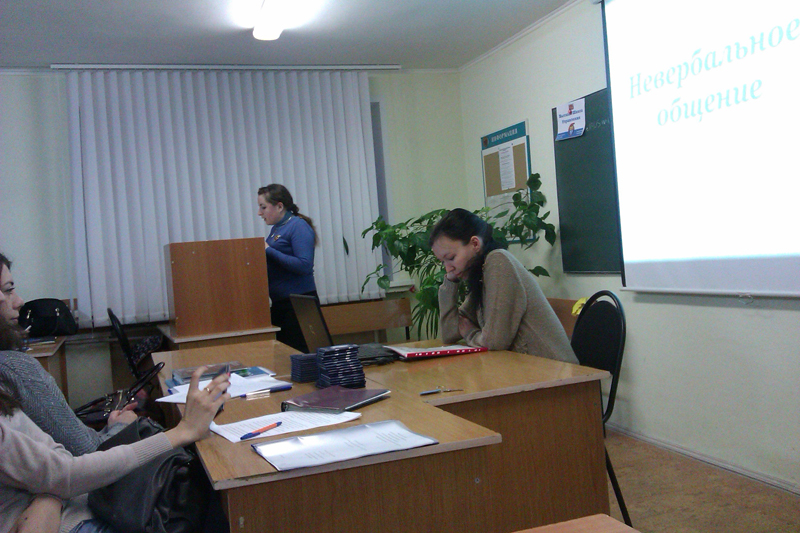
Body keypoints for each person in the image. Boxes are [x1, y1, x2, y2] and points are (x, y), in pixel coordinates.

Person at [0, 364, 230, 533]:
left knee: (203, 489)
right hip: (76, 517)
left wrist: (50, 494)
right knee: (205, 496)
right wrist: (181, 432)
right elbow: (66, 471)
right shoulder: (14, 367)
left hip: (75, 504)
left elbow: (59, 465)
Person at [0, 252, 137, 456]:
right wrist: (123, 426)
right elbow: (89, 453)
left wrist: (110, 427)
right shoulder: (14, 367)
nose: (19, 301)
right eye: (8, 290)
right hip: (95, 471)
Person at [429, 208, 578, 364]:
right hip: (529, 368)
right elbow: (450, 333)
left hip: (558, 371)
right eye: (443, 262)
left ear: (475, 243)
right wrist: (451, 281)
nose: (448, 268)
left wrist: (469, 332)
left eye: (451, 257)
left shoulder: (498, 262)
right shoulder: (480, 274)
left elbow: (494, 342)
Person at [257, 184, 318, 352]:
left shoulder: (298, 226)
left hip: (299, 304)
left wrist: (268, 250)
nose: (259, 213)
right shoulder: (277, 228)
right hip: (282, 304)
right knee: (285, 356)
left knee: (301, 355)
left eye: (263, 207)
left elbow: (304, 265)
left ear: (279, 206)